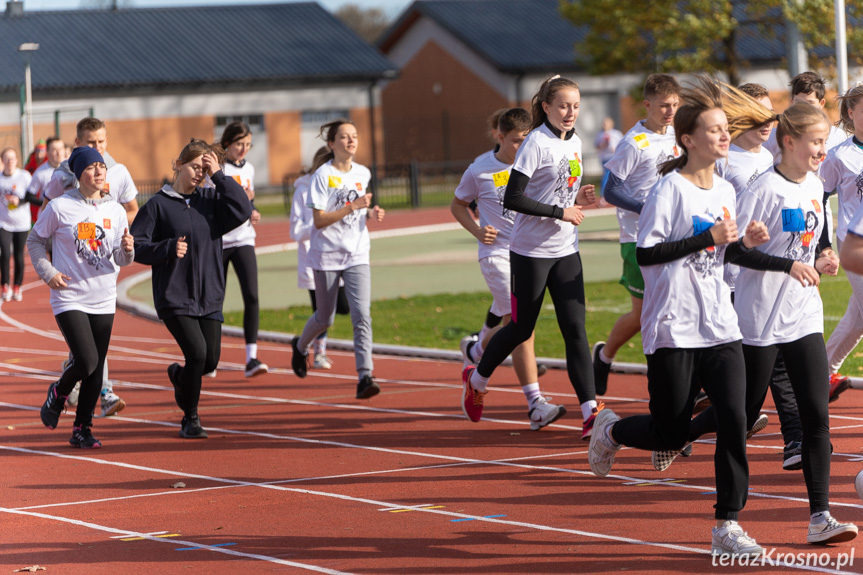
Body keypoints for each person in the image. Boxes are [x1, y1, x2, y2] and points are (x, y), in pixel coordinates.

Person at [588, 77, 776, 556]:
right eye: (713, 131)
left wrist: (745, 245)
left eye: (724, 130)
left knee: (735, 420)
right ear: (688, 140)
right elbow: (648, 254)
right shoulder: (668, 190)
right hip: (673, 326)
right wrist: (707, 238)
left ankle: (727, 526)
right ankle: (610, 429)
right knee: (668, 432)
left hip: (719, 324)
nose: (723, 137)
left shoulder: (726, 189)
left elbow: (725, 257)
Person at [460, 75, 600, 439]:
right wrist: (561, 211)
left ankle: (590, 413)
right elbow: (514, 198)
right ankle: (477, 379)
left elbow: (560, 191)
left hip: (566, 248)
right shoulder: (536, 142)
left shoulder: (576, 143)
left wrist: (577, 200)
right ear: (546, 107)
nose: (570, 113)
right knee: (521, 327)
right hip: (529, 252)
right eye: (563, 106)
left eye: (575, 106)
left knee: (576, 331)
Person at [451, 107, 565, 430]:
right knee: (520, 326)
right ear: (500, 137)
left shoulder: (538, 162)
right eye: (516, 141)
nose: (522, 147)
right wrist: (476, 230)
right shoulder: (480, 169)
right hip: (497, 255)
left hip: (529, 253)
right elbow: (457, 204)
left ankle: (475, 352)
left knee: (513, 322)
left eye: (526, 141)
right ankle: (536, 405)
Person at [130, 139, 251, 439]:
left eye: (204, 168)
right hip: (175, 295)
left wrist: (219, 175)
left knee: (209, 361)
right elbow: (138, 247)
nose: (199, 173)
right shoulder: (158, 205)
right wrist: (168, 248)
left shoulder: (210, 201)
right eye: (195, 166)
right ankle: (191, 418)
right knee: (197, 353)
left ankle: (179, 376)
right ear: (178, 164)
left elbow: (243, 208)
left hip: (209, 294)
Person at [717, 83, 799, 471]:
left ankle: (796, 439)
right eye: (757, 114)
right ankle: (677, 428)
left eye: (771, 114)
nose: (768, 122)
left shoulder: (772, 159)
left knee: (776, 360)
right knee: (740, 374)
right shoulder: (723, 160)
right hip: (730, 279)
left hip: (771, 276)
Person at [31, 146, 135, 448]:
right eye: (92, 168)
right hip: (69, 297)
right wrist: (48, 272)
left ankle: (81, 428)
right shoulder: (60, 207)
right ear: (79, 175)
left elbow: (119, 256)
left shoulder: (115, 210)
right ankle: (59, 392)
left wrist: (127, 250)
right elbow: (35, 240)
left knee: (96, 367)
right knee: (87, 360)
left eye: (102, 166)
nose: (100, 172)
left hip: (104, 297)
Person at [592, 74, 681, 397]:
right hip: (637, 238)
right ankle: (604, 357)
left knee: (675, 310)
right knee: (643, 315)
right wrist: (648, 207)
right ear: (647, 105)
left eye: (674, 105)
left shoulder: (677, 134)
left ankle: (679, 388)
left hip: (673, 236)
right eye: (663, 106)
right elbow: (610, 190)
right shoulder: (632, 142)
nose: (669, 111)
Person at [290, 119, 386, 399]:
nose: (351, 141)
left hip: (357, 253)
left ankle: (364, 376)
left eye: (354, 136)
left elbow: (359, 207)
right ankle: (299, 346)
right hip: (326, 255)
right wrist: (352, 207)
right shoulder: (321, 176)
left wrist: (370, 212)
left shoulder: (363, 173)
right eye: (344, 137)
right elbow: (319, 220)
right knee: (325, 317)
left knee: (361, 315)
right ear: (332, 144)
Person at [289, 146, 350, 370]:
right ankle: (318, 353)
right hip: (313, 260)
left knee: (342, 307)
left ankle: (301, 342)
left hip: (338, 256)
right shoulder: (303, 191)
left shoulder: (338, 186)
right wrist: (318, 222)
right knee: (322, 312)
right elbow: (295, 231)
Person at [821, 84, 863, 404]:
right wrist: (824, 246)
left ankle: (819, 375)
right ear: (851, 112)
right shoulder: (839, 156)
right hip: (855, 245)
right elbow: (817, 196)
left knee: (858, 319)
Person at [218, 122, 268, 378]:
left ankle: (251, 357)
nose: (243, 149)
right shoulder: (219, 168)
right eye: (239, 144)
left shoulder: (248, 168)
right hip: (220, 241)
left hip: (244, 239)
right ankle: (211, 357)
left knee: (252, 296)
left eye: (248, 145)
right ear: (227, 143)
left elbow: (249, 200)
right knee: (216, 299)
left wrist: (253, 209)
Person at [0, 148, 38, 302]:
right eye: (7, 159)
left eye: (13, 159)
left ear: (17, 160)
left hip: (21, 223)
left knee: (18, 256)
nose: (10, 162)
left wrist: (19, 201)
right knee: (4, 254)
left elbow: (31, 196)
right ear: (2, 161)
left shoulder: (24, 176)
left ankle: (17, 286)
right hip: (3, 222)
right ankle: (5, 285)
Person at [27, 137, 65, 224]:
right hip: (48, 219)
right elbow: (29, 195)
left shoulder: (72, 168)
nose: (59, 153)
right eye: (54, 150)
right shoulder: (40, 172)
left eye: (61, 149)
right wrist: (47, 202)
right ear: (47, 152)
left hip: (67, 217)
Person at [594, 116, 623, 195]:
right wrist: (603, 144)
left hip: (614, 157)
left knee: (616, 175)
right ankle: (603, 193)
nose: (604, 125)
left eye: (606, 123)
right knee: (606, 175)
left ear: (611, 124)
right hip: (605, 157)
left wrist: (616, 150)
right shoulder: (600, 134)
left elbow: (622, 145)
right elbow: (596, 146)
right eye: (603, 123)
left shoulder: (616, 133)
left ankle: (616, 192)